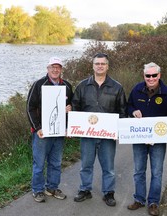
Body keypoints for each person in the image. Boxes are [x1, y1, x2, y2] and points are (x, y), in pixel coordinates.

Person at [72, 53, 127, 207]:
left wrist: (119, 131)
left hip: (107, 135)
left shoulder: (117, 87)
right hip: (87, 134)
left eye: (103, 63)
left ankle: (108, 193)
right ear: (93, 65)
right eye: (97, 63)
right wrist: (74, 127)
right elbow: (75, 107)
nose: (100, 66)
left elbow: (123, 111)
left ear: (107, 66)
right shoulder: (82, 86)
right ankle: (85, 190)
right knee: (86, 165)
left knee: (108, 167)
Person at [127, 62, 167, 216]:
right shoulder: (136, 89)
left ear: (159, 75)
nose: (151, 78)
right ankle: (139, 199)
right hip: (139, 138)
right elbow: (127, 107)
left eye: (154, 75)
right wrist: (133, 111)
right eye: (148, 75)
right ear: (144, 76)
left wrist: (159, 135)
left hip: (158, 141)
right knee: (138, 170)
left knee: (156, 172)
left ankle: (153, 202)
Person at [26, 57, 73, 203]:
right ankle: (38, 190)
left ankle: (52, 187)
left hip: (59, 132)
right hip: (42, 133)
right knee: (39, 163)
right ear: (48, 68)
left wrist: (70, 111)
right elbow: (30, 108)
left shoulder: (67, 86)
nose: (55, 69)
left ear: (61, 70)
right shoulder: (38, 85)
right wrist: (37, 128)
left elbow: (73, 106)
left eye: (58, 67)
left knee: (56, 162)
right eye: (52, 67)